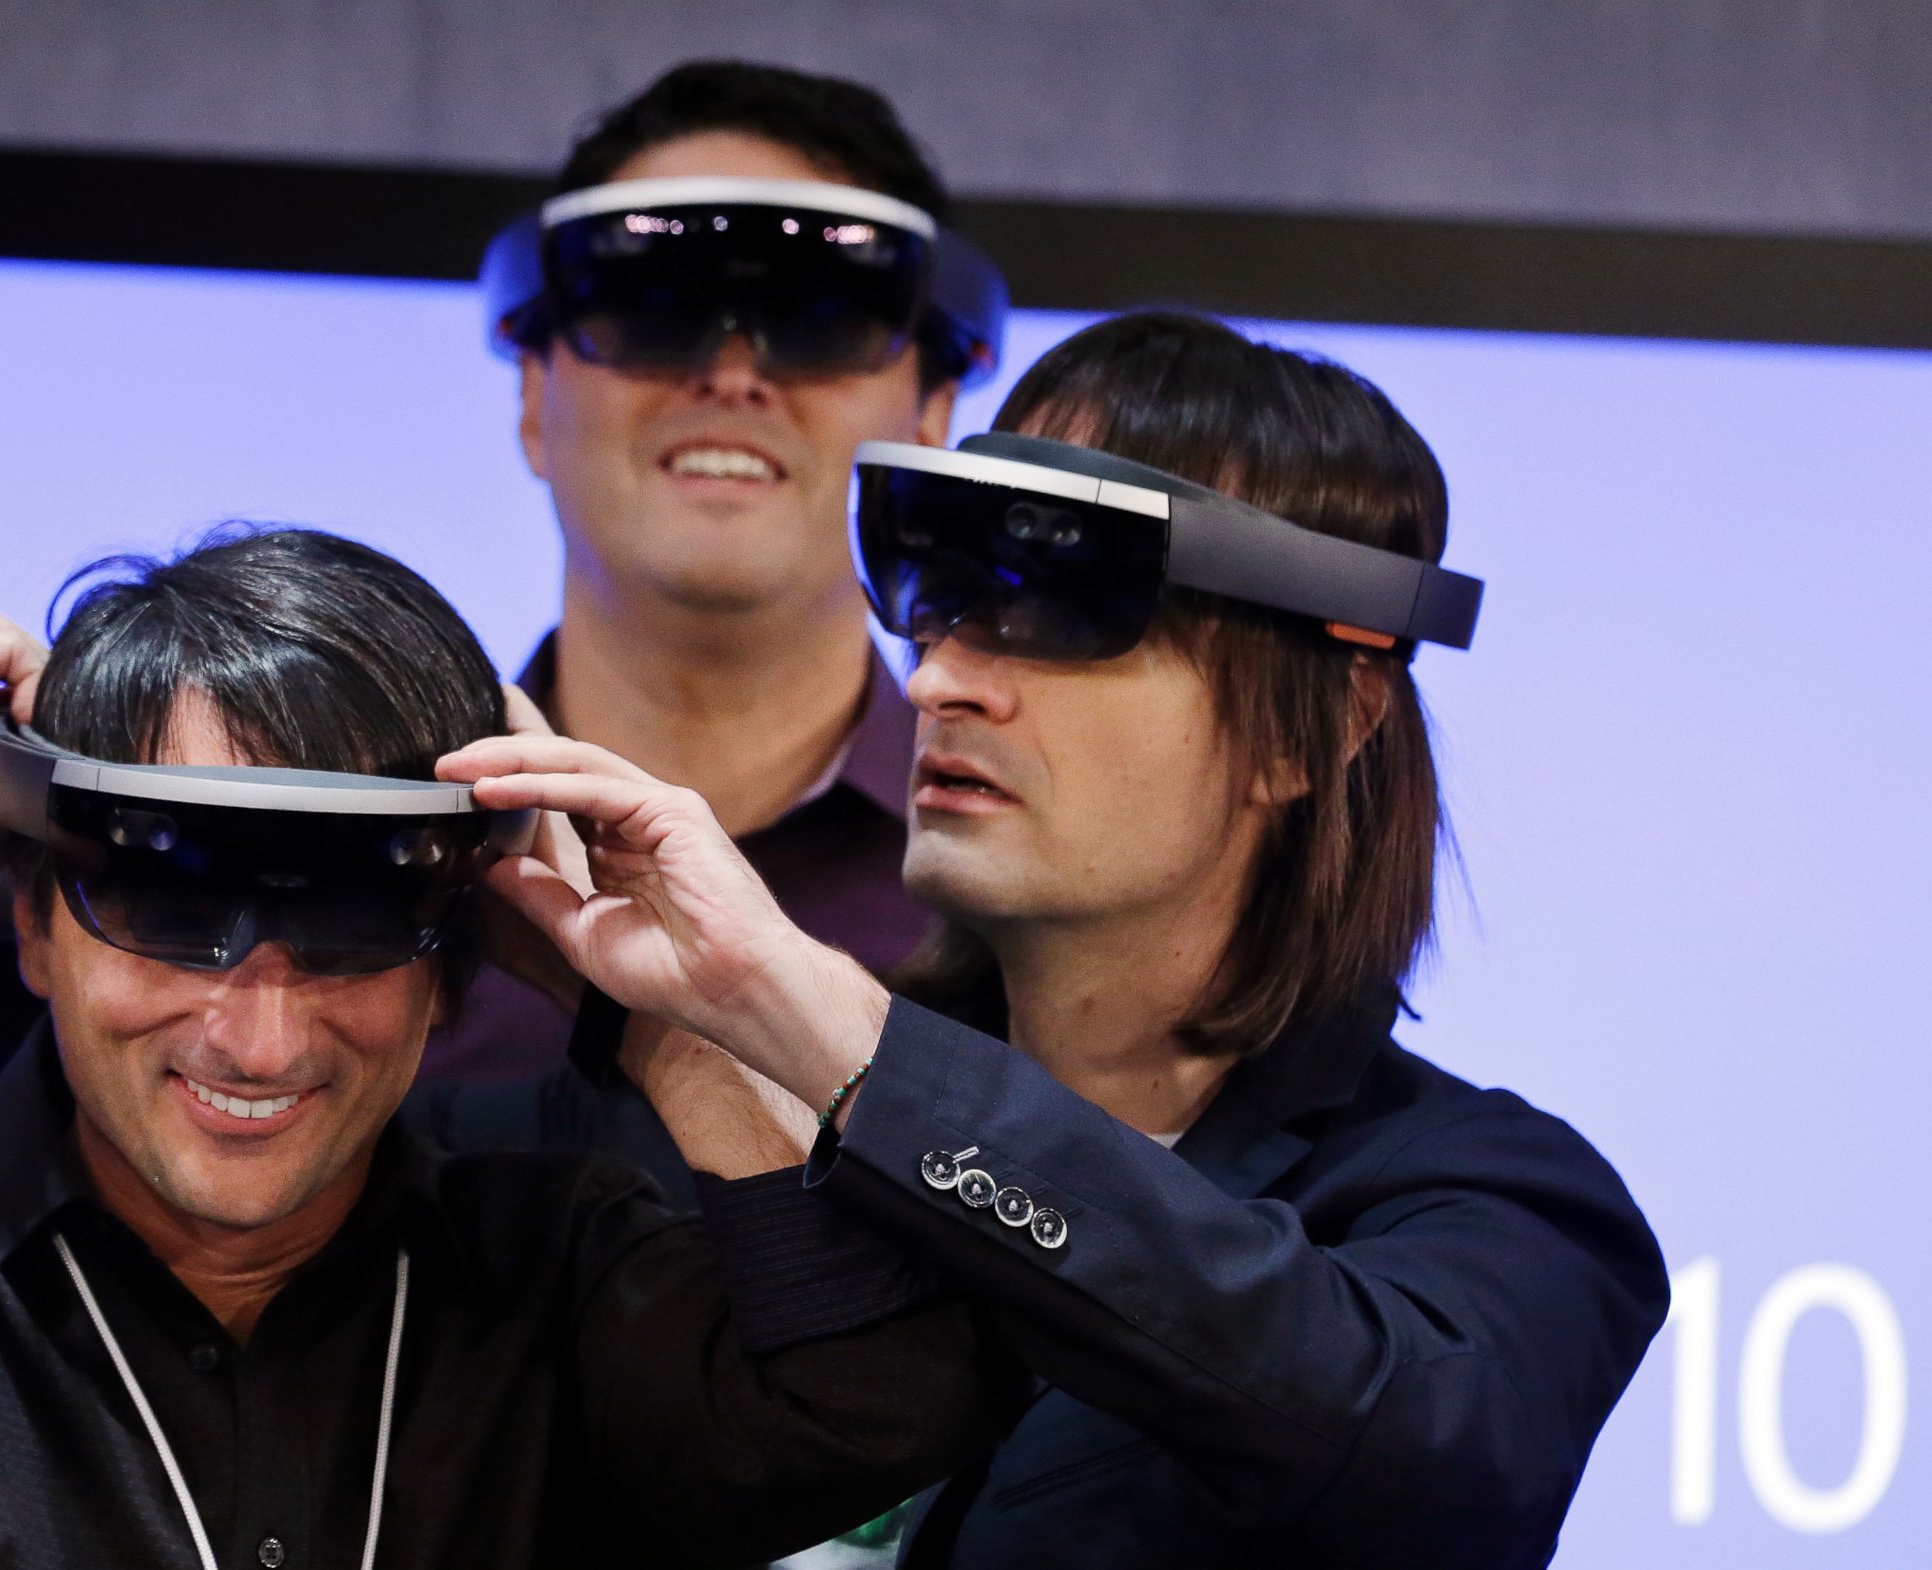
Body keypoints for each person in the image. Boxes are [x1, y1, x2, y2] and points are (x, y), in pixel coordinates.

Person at [0, 528, 1027, 1569]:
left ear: (454, 957)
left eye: (350, 926)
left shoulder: (555, 1275)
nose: (258, 1030)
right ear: (33, 923)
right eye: (165, 906)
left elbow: (886, 1390)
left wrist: (640, 1003)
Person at [439, 314, 1670, 1567]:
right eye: (944, 592)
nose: (937, 681)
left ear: (1318, 729)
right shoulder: (697, 1126)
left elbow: (1414, 1440)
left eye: (1067, 605)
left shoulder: (1505, 1207)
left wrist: (827, 1029)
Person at [0, 61, 1003, 1204]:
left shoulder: (1019, 885)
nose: (730, 371)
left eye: (819, 319)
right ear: (534, 395)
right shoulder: (352, 843)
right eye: (650, 305)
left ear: (934, 414)